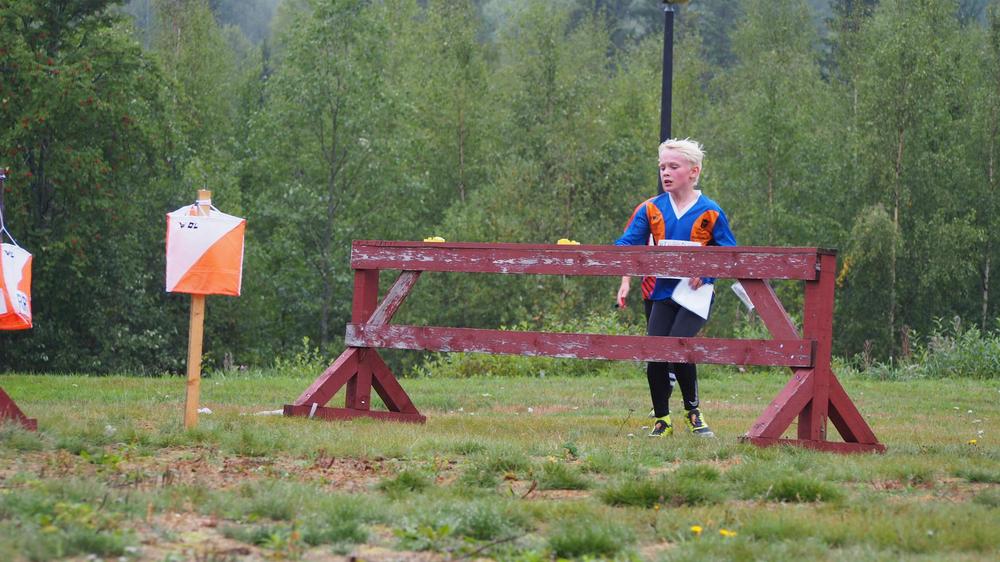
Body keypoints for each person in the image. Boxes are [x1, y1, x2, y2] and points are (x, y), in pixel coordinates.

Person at [615, 138, 736, 438]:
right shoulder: (651, 208)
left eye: (673, 167)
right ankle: (662, 420)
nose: (665, 173)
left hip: (695, 295)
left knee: (680, 346)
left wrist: (706, 273)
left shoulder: (711, 211)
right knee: (656, 352)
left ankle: (693, 412)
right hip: (661, 292)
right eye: (662, 167)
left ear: (694, 172)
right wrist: (598, 253)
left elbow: (730, 253)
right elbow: (627, 244)